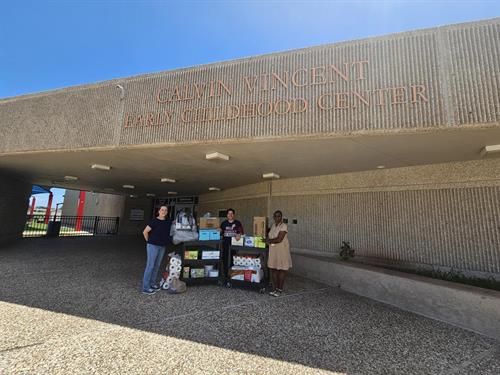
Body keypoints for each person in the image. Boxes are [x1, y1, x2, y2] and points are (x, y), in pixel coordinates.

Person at [141, 205, 172, 295]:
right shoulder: (154, 221)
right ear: (159, 211)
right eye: (162, 210)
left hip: (162, 246)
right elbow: (145, 232)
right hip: (153, 246)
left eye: (165, 210)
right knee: (150, 265)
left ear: (167, 212)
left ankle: (152, 284)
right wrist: (149, 242)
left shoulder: (168, 222)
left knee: (157, 265)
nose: (163, 211)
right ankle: (145, 288)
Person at [266, 210, 292, 297]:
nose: (277, 218)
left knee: (281, 269)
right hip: (273, 250)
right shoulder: (273, 225)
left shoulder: (283, 226)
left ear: (281, 217)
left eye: (279, 216)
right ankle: (275, 289)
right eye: (276, 216)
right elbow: (269, 235)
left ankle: (280, 290)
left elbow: (279, 239)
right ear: (273, 217)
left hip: (282, 250)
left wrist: (268, 241)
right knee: (273, 268)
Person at [219, 208, 244, 278]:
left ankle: (233, 275)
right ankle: (226, 274)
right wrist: (219, 231)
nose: (230, 215)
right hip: (225, 244)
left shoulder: (237, 223)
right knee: (225, 259)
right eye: (228, 214)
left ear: (234, 215)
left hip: (234, 245)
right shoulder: (223, 223)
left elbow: (241, 232)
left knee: (233, 260)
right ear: (227, 215)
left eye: (231, 213)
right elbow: (221, 233)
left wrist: (239, 234)